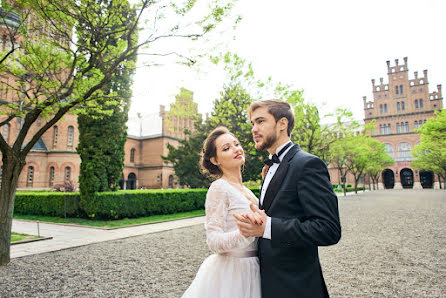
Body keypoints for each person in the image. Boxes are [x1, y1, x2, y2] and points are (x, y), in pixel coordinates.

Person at [234, 99, 341, 298]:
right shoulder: (269, 169)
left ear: (282, 124)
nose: (254, 129)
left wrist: (267, 227)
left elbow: (329, 229)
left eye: (260, 121)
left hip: (297, 286)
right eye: (252, 124)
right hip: (268, 282)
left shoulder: (308, 164)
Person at [182, 126, 261, 298]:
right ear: (215, 160)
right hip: (232, 274)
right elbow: (213, 241)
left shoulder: (248, 191)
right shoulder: (219, 188)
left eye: (236, 144)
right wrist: (244, 234)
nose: (236, 149)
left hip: (256, 269)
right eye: (226, 148)